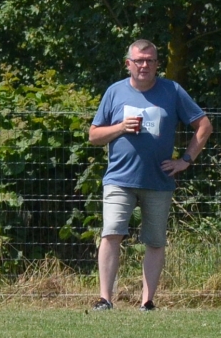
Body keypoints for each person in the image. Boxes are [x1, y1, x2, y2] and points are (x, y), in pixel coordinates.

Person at [86, 40, 212, 311]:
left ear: (157, 64)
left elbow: (204, 126)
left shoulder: (172, 91)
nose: (144, 65)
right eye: (139, 61)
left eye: (150, 61)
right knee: (111, 233)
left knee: (155, 241)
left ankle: (147, 302)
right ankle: (105, 299)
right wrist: (120, 127)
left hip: (159, 181)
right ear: (128, 64)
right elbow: (94, 136)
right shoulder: (114, 91)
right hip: (119, 179)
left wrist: (185, 160)